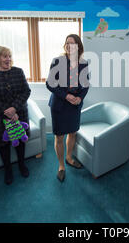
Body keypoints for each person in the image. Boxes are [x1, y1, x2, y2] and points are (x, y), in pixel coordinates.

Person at [0, 46, 31, 185]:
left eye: (9, 56)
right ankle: (8, 170)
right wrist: (7, 111)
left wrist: (14, 108)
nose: (8, 59)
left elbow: (26, 91)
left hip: (19, 113)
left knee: (20, 142)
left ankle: (22, 165)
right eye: (5, 56)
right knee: (3, 145)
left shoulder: (18, 72)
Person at [46, 34, 89, 183]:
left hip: (74, 106)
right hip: (59, 105)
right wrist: (66, 96)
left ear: (78, 46)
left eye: (72, 43)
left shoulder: (83, 63)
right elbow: (50, 84)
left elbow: (85, 85)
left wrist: (80, 97)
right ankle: (61, 166)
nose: (69, 46)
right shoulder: (57, 61)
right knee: (59, 136)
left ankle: (69, 157)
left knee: (72, 132)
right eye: (67, 43)